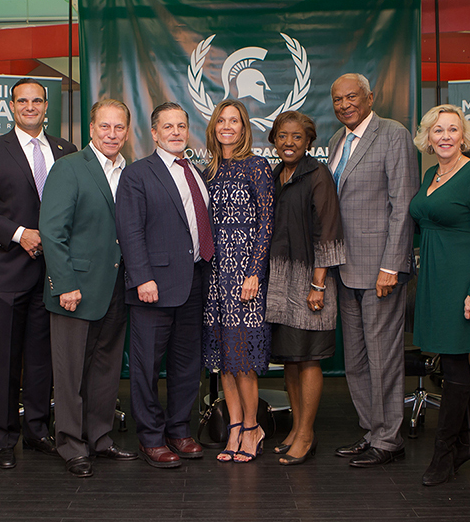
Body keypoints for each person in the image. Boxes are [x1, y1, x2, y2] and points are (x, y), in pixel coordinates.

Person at [0, 78, 77, 470]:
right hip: (10, 269)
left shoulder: (66, 151)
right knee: (7, 358)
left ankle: (37, 431)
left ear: (47, 106)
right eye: (22, 101)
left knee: (43, 358)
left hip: (53, 273)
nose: (30, 107)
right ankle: (3, 437)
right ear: (12, 107)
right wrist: (19, 234)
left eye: (37, 101)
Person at [39, 99, 137, 478]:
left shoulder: (128, 171)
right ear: (92, 129)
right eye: (104, 126)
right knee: (69, 373)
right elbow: (52, 231)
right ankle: (70, 444)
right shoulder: (69, 168)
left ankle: (99, 438)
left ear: (127, 131)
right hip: (74, 289)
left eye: (119, 127)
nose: (112, 134)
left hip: (115, 287)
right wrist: (64, 284)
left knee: (106, 369)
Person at [328, 73, 418, 467]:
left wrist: (391, 265)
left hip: (380, 269)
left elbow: (403, 204)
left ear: (370, 97)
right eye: (338, 99)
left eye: (352, 97)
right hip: (344, 267)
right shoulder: (338, 140)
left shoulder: (393, 134)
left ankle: (389, 439)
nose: (345, 104)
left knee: (383, 357)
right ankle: (372, 431)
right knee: (356, 359)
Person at [116, 102, 210, 469]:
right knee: (146, 368)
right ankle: (151, 438)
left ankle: (179, 430)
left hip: (194, 282)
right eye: (167, 126)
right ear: (154, 133)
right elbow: (130, 230)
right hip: (152, 286)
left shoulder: (196, 172)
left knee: (187, 364)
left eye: (181, 126)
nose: (175, 132)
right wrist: (142, 277)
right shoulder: (138, 174)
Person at [409, 104, 470, 485]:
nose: (445, 136)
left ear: (464, 136)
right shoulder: (431, 174)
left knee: (456, 368)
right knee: (455, 365)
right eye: (438, 130)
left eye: (452, 129)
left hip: (463, 283)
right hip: (435, 281)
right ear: (428, 137)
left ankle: (443, 454)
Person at [264, 111, 345, 465]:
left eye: (297, 137)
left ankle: (307, 434)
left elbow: (328, 232)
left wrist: (318, 284)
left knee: (309, 358)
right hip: (281, 284)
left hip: (311, 283)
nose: (289, 143)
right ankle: (296, 429)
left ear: (309, 141)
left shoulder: (318, 175)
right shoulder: (275, 176)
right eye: (283, 136)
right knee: (291, 359)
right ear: (273, 139)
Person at [202, 99, 273, 464]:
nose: (227, 126)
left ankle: (252, 427)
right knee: (225, 360)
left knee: (242, 358)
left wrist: (254, 272)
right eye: (221, 120)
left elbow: (266, 223)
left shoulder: (257, 166)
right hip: (215, 275)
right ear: (214, 127)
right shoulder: (208, 171)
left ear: (244, 128)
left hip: (245, 275)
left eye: (234, 121)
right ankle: (233, 427)